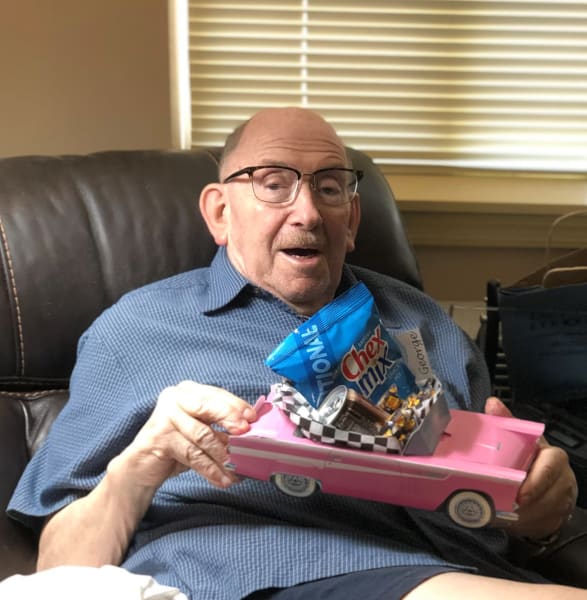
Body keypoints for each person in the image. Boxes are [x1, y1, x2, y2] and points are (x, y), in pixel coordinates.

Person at [7, 107, 582, 600]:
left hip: (458, 570)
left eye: (330, 187)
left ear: (352, 219)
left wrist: (537, 508)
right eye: (272, 183)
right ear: (219, 213)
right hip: (256, 572)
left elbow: (495, 503)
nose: (307, 212)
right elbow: (57, 573)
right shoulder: (135, 330)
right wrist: (142, 462)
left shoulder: (426, 323)